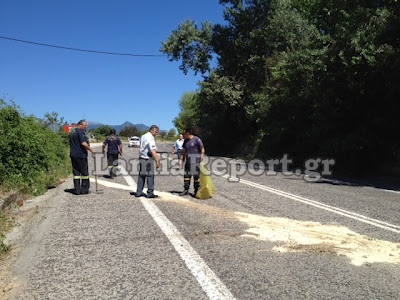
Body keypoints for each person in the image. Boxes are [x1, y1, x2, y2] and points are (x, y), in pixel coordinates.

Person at [69, 120, 96, 195]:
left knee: (76, 173)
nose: (86, 127)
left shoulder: (72, 132)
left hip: (73, 155)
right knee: (84, 173)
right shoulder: (81, 132)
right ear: (80, 125)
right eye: (85, 125)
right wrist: (91, 150)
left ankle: (77, 190)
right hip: (81, 155)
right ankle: (84, 190)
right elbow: (83, 143)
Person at [135, 125, 161, 198]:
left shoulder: (143, 136)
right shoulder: (150, 138)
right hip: (147, 159)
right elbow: (152, 151)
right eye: (156, 132)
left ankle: (138, 192)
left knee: (141, 176)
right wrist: (157, 161)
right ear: (152, 130)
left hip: (141, 157)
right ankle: (150, 193)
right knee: (150, 176)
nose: (156, 134)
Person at [179, 128, 205, 196]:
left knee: (196, 177)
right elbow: (183, 151)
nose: (183, 135)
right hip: (188, 162)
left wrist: (202, 156)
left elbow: (202, 148)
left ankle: (196, 191)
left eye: (184, 133)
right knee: (186, 177)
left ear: (188, 133)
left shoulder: (197, 139)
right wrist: (181, 160)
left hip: (196, 162)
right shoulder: (185, 141)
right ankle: (186, 190)